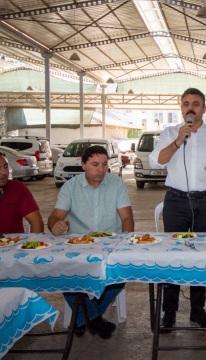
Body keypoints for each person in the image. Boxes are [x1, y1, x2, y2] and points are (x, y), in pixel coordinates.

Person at [149, 87, 206, 331]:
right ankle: (169, 312)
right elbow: (156, 161)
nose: (190, 107)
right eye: (186, 103)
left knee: (202, 254)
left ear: (204, 109)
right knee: (172, 255)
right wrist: (178, 140)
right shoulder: (169, 133)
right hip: (176, 202)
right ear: (181, 107)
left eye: (196, 103)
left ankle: (197, 310)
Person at [48, 145, 133, 339]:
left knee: (121, 274)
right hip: (78, 244)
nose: (101, 170)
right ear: (83, 165)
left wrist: (124, 244)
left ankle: (82, 318)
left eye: (104, 164)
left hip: (110, 244)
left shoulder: (117, 183)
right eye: (95, 164)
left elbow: (127, 218)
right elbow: (54, 217)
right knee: (64, 274)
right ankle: (93, 319)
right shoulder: (70, 186)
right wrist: (56, 226)